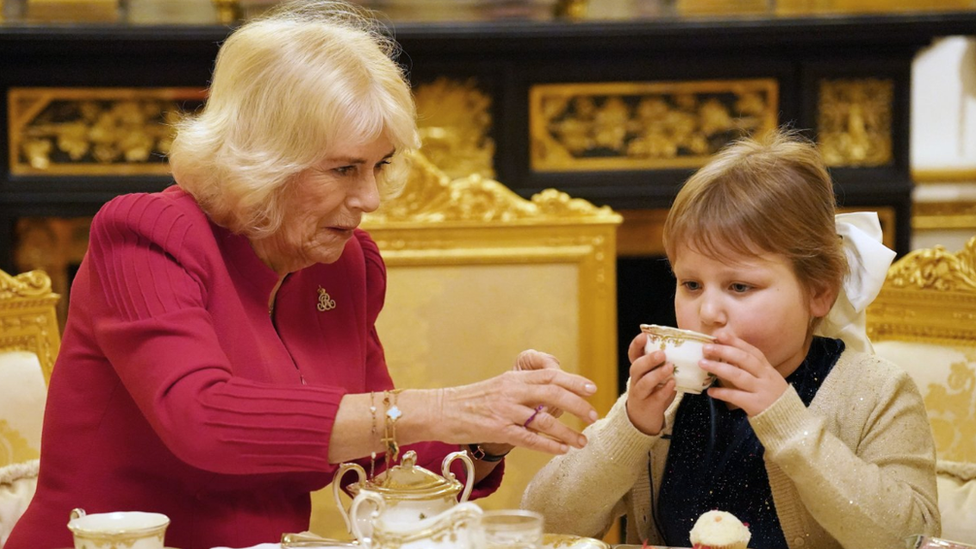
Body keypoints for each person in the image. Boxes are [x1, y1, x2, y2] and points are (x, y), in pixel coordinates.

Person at [5, 3, 599, 548]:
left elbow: (378, 465)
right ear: (262, 160)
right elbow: (202, 418)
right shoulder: (147, 235)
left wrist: (485, 431)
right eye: (343, 169)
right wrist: (439, 404)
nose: (369, 197)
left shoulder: (346, 267)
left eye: (379, 166)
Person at [521, 130, 941, 549]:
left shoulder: (878, 392)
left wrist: (786, 422)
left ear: (819, 292)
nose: (707, 312)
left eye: (739, 287)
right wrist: (631, 426)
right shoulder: (669, 398)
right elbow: (543, 525)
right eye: (691, 284)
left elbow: (912, 538)